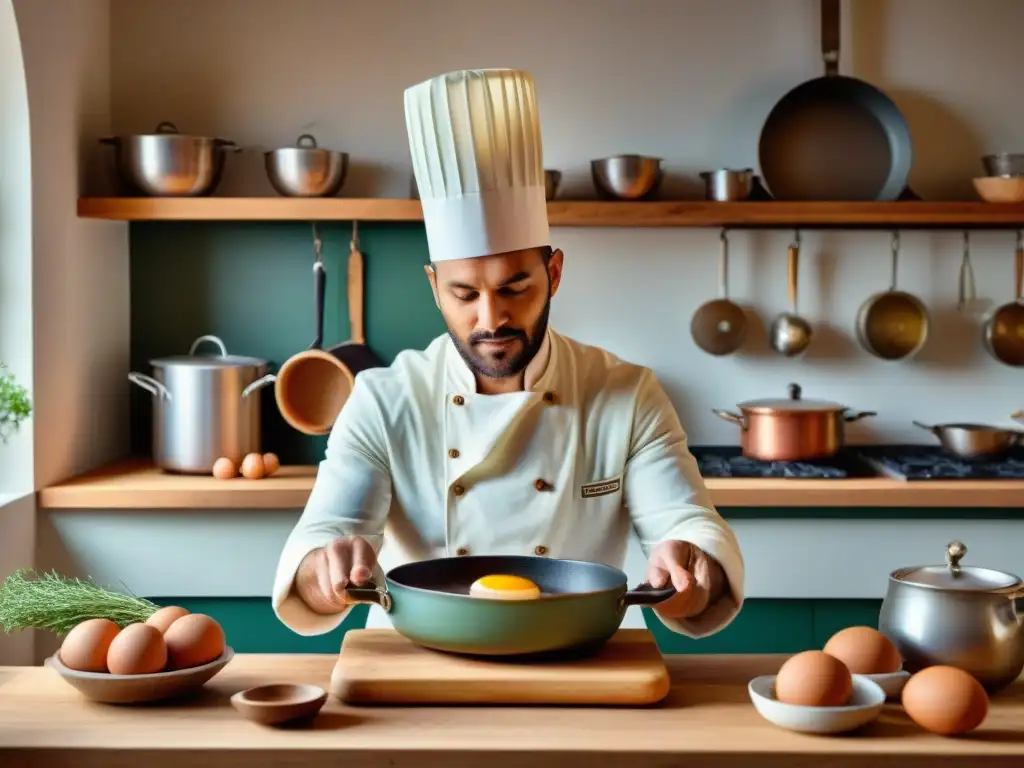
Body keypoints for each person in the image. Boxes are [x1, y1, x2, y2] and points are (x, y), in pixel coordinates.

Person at [272, 68, 745, 640]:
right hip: (413, 671)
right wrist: (321, 570)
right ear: (433, 288)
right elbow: (324, 532)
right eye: (464, 294)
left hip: (577, 663)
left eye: (515, 287)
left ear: (554, 272)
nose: (491, 318)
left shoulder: (626, 395)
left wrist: (692, 566)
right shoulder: (384, 398)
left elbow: (686, 522)